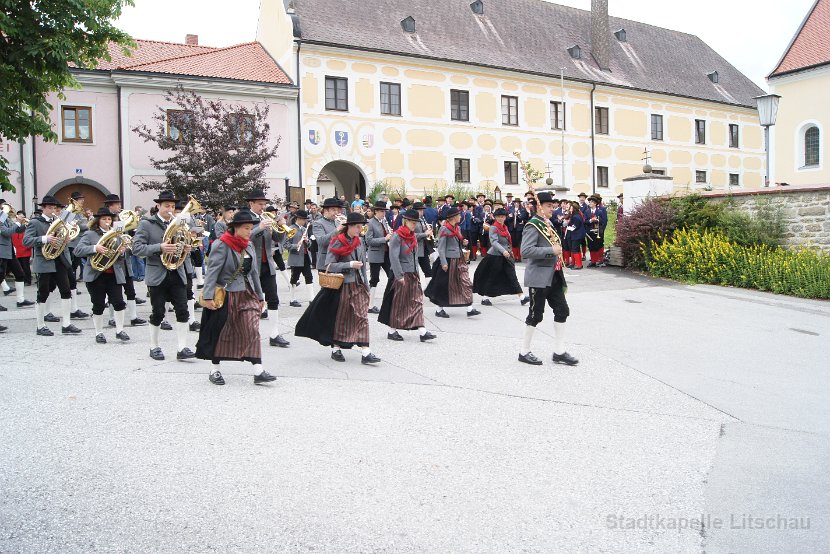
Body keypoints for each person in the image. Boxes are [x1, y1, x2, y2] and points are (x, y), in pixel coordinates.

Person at [196, 209, 276, 386]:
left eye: (250, 228)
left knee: (253, 329)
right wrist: (208, 296)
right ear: (235, 228)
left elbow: (254, 272)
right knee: (221, 331)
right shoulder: (221, 244)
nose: (250, 232)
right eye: (246, 228)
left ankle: (258, 371)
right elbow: (212, 272)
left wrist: (260, 295)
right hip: (227, 295)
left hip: (247, 294)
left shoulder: (248, 245)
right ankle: (214, 370)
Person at [295, 212, 381, 364]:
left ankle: (366, 352)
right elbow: (329, 265)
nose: (360, 229)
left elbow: (363, 266)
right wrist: (348, 265)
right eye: (357, 226)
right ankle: (336, 348)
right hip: (342, 285)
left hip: (358, 284)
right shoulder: (337, 241)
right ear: (349, 226)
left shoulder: (360, 241)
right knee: (341, 319)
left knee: (362, 317)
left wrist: (366, 285)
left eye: (361, 226)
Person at [131, 190, 195, 361]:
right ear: (158, 206)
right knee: (158, 312)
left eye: (173, 206)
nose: (170, 209)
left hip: (177, 272)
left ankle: (182, 347)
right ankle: (154, 346)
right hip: (157, 273)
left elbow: (183, 247)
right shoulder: (147, 224)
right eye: (167, 205)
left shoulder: (179, 224)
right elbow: (137, 249)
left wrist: (186, 249)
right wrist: (159, 247)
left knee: (183, 311)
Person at [518, 192, 578, 366]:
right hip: (539, 277)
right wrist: (550, 251)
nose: (553, 209)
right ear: (539, 207)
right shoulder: (532, 225)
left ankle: (559, 352)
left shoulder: (548, 223)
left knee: (562, 311)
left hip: (554, 276)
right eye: (549, 206)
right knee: (535, 315)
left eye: (553, 206)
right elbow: (526, 251)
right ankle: (524, 351)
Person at [23, 196, 82, 336]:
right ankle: (40, 325)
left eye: (54, 208)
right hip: (44, 261)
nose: (52, 210)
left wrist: (66, 239)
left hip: (59, 260)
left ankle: (66, 324)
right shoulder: (35, 222)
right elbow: (26, 241)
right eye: (49, 208)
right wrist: (45, 239)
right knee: (43, 292)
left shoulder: (59, 221)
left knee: (66, 291)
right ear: (43, 208)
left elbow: (62, 240)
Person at [379, 209, 437, 343]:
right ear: (405, 221)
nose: (414, 224)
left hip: (413, 273)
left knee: (416, 301)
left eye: (415, 222)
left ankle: (422, 331)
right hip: (401, 274)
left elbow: (415, 253)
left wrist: (416, 271)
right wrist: (399, 276)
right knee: (398, 303)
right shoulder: (397, 236)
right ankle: (392, 330)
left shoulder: (413, 235)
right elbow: (393, 257)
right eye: (411, 222)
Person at [74, 207, 131, 344]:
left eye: (109, 219)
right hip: (96, 274)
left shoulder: (117, 234)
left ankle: (119, 330)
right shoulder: (90, 234)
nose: (107, 221)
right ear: (98, 220)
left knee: (118, 302)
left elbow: (121, 256)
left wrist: (122, 251)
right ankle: (99, 332)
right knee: (98, 304)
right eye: (104, 219)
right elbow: (77, 250)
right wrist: (95, 248)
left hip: (114, 274)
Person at [246, 190, 290, 348]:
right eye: (260, 204)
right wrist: (259, 227)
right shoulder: (245, 217)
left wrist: (282, 227)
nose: (263, 207)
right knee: (252, 301)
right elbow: (244, 238)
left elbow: (276, 240)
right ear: (251, 203)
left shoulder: (265, 218)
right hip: (252, 266)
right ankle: (250, 335)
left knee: (273, 299)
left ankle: (274, 334)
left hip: (268, 264)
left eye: (264, 204)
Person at [424, 206, 480, 319]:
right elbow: (441, 247)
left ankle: (469, 308)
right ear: (453, 217)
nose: (460, 216)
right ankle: (439, 309)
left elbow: (457, 243)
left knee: (464, 282)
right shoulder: (444, 229)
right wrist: (444, 262)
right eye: (459, 215)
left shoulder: (457, 228)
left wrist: (463, 242)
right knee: (444, 285)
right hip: (449, 260)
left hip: (458, 259)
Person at [103, 194, 147, 327]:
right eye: (117, 204)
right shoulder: (103, 219)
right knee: (113, 293)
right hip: (112, 261)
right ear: (110, 205)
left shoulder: (122, 218)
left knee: (130, 290)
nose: (120, 207)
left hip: (125, 260)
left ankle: (134, 317)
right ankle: (112, 317)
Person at [473, 208, 529, 306]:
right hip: (495, 256)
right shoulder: (494, 228)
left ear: (505, 217)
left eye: (502, 217)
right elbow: (494, 242)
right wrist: (503, 251)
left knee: (512, 276)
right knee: (492, 277)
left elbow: (507, 241)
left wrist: (509, 251)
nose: (500, 218)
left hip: (506, 256)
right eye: (498, 217)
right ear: (495, 217)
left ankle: (522, 297)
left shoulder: (505, 227)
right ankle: (485, 298)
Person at [1, 201, 34, 309]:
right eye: (5, 207)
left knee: (20, 274)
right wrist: (17, 222)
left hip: (9, 250)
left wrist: (24, 224)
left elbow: (17, 230)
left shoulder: (5, 218)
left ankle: (20, 300)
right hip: (2, 251)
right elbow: (7, 232)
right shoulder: (1, 218)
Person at [365, 200, 392, 314]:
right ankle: (370, 305)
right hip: (375, 254)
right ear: (376, 211)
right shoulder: (369, 223)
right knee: (374, 279)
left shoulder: (384, 222)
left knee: (392, 275)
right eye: (381, 211)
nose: (383, 213)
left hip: (386, 253)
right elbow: (369, 241)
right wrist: (385, 239)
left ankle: (391, 301)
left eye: (384, 211)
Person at [66, 191, 89, 319]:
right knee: (71, 269)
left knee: (74, 268)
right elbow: (77, 225)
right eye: (80, 199)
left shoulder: (79, 212)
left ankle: (73, 305)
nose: (82, 201)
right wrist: (90, 224)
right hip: (72, 244)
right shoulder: (72, 212)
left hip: (79, 243)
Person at [285, 209, 315, 307]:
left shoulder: (304, 229)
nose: (304, 221)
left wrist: (307, 241)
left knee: (309, 276)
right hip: (296, 257)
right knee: (294, 278)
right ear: (298, 218)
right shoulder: (291, 229)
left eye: (305, 219)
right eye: (303, 219)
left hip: (305, 256)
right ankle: (292, 299)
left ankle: (311, 299)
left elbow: (309, 244)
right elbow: (286, 244)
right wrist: (295, 245)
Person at [412, 202, 434, 278]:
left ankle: (429, 289)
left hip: (423, 249)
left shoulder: (421, 220)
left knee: (428, 271)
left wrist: (427, 230)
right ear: (415, 211)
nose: (422, 212)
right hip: (414, 249)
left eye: (422, 210)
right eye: (420, 210)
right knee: (413, 272)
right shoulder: (412, 221)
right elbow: (411, 235)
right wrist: (424, 234)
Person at [586, 195, 608, 267]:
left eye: (591, 202)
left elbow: (603, 221)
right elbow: (584, 221)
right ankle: (593, 261)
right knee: (591, 246)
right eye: (589, 202)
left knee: (598, 245)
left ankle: (599, 259)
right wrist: (590, 220)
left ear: (595, 203)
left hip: (598, 231)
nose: (590, 203)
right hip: (590, 231)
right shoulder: (587, 211)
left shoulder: (600, 211)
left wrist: (598, 220)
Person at [563, 201, 586, 270]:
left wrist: (567, 227)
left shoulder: (576, 217)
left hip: (576, 235)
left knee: (575, 250)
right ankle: (576, 263)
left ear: (574, 209)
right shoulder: (576, 215)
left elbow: (574, 226)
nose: (570, 209)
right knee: (575, 249)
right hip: (576, 235)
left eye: (571, 208)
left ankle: (579, 265)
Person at [13, 210, 33, 286]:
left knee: (26, 266)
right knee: (19, 267)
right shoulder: (15, 225)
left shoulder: (27, 225)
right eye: (18, 216)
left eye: (21, 216)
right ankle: (21, 280)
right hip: (17, 250)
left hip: (25, 250)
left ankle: (28, 280)